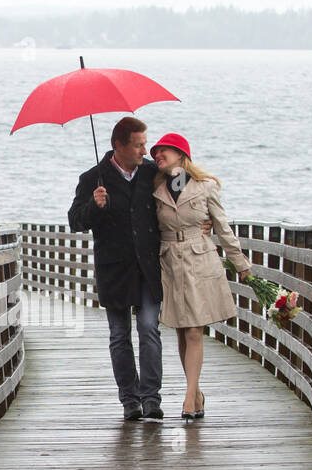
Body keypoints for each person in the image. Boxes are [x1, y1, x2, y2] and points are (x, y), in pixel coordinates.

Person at [68, 117, 208, 421]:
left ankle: (151, 398)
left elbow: (185, 191)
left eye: (146, 144)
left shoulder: (151, 173)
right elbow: (76, 220)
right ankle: (129, 400)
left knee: (148, 328)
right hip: (114, 270)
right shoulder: (93, 178)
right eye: (139, 144)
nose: (146, 150)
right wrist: (95, 205)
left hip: (148, 267)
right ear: (118, 145)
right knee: (119, 335)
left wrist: (201, 219)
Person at [148, 133, 252, 422]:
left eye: (163, 151)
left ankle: (190, 397)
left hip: (199, 259)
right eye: (155, 153)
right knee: (183, 331)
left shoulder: (206, 187)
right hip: (169, 262)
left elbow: (222, 228)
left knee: (194, 330)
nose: (157, 156)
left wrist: (240, 264)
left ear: (181, 154)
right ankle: (196, 393)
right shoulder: (154, 188)